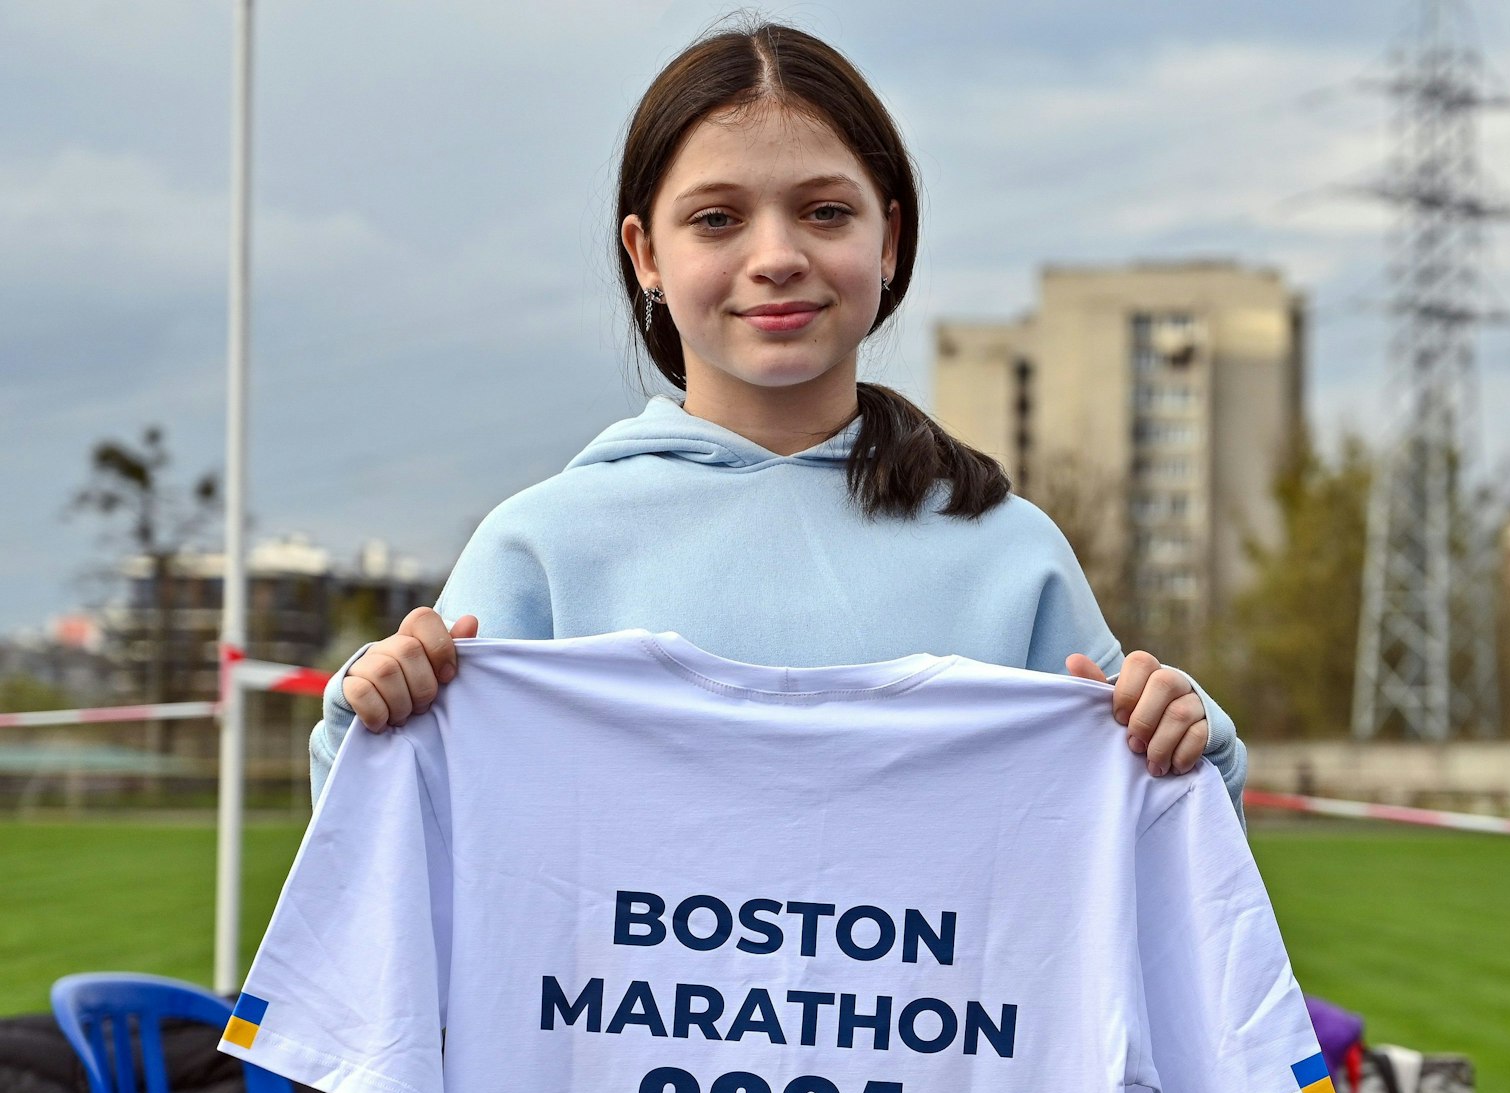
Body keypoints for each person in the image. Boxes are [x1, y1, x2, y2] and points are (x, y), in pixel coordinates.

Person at [308, 18, 1249, 821]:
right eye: (717, 219)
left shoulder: (1010, 557)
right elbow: (403, 860)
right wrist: (369, 724)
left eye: (825, 212)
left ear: (889, 237)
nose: (776, 256)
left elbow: (1138, 863)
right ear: (644, 253)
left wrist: (1191, 747)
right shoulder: (541, 553)